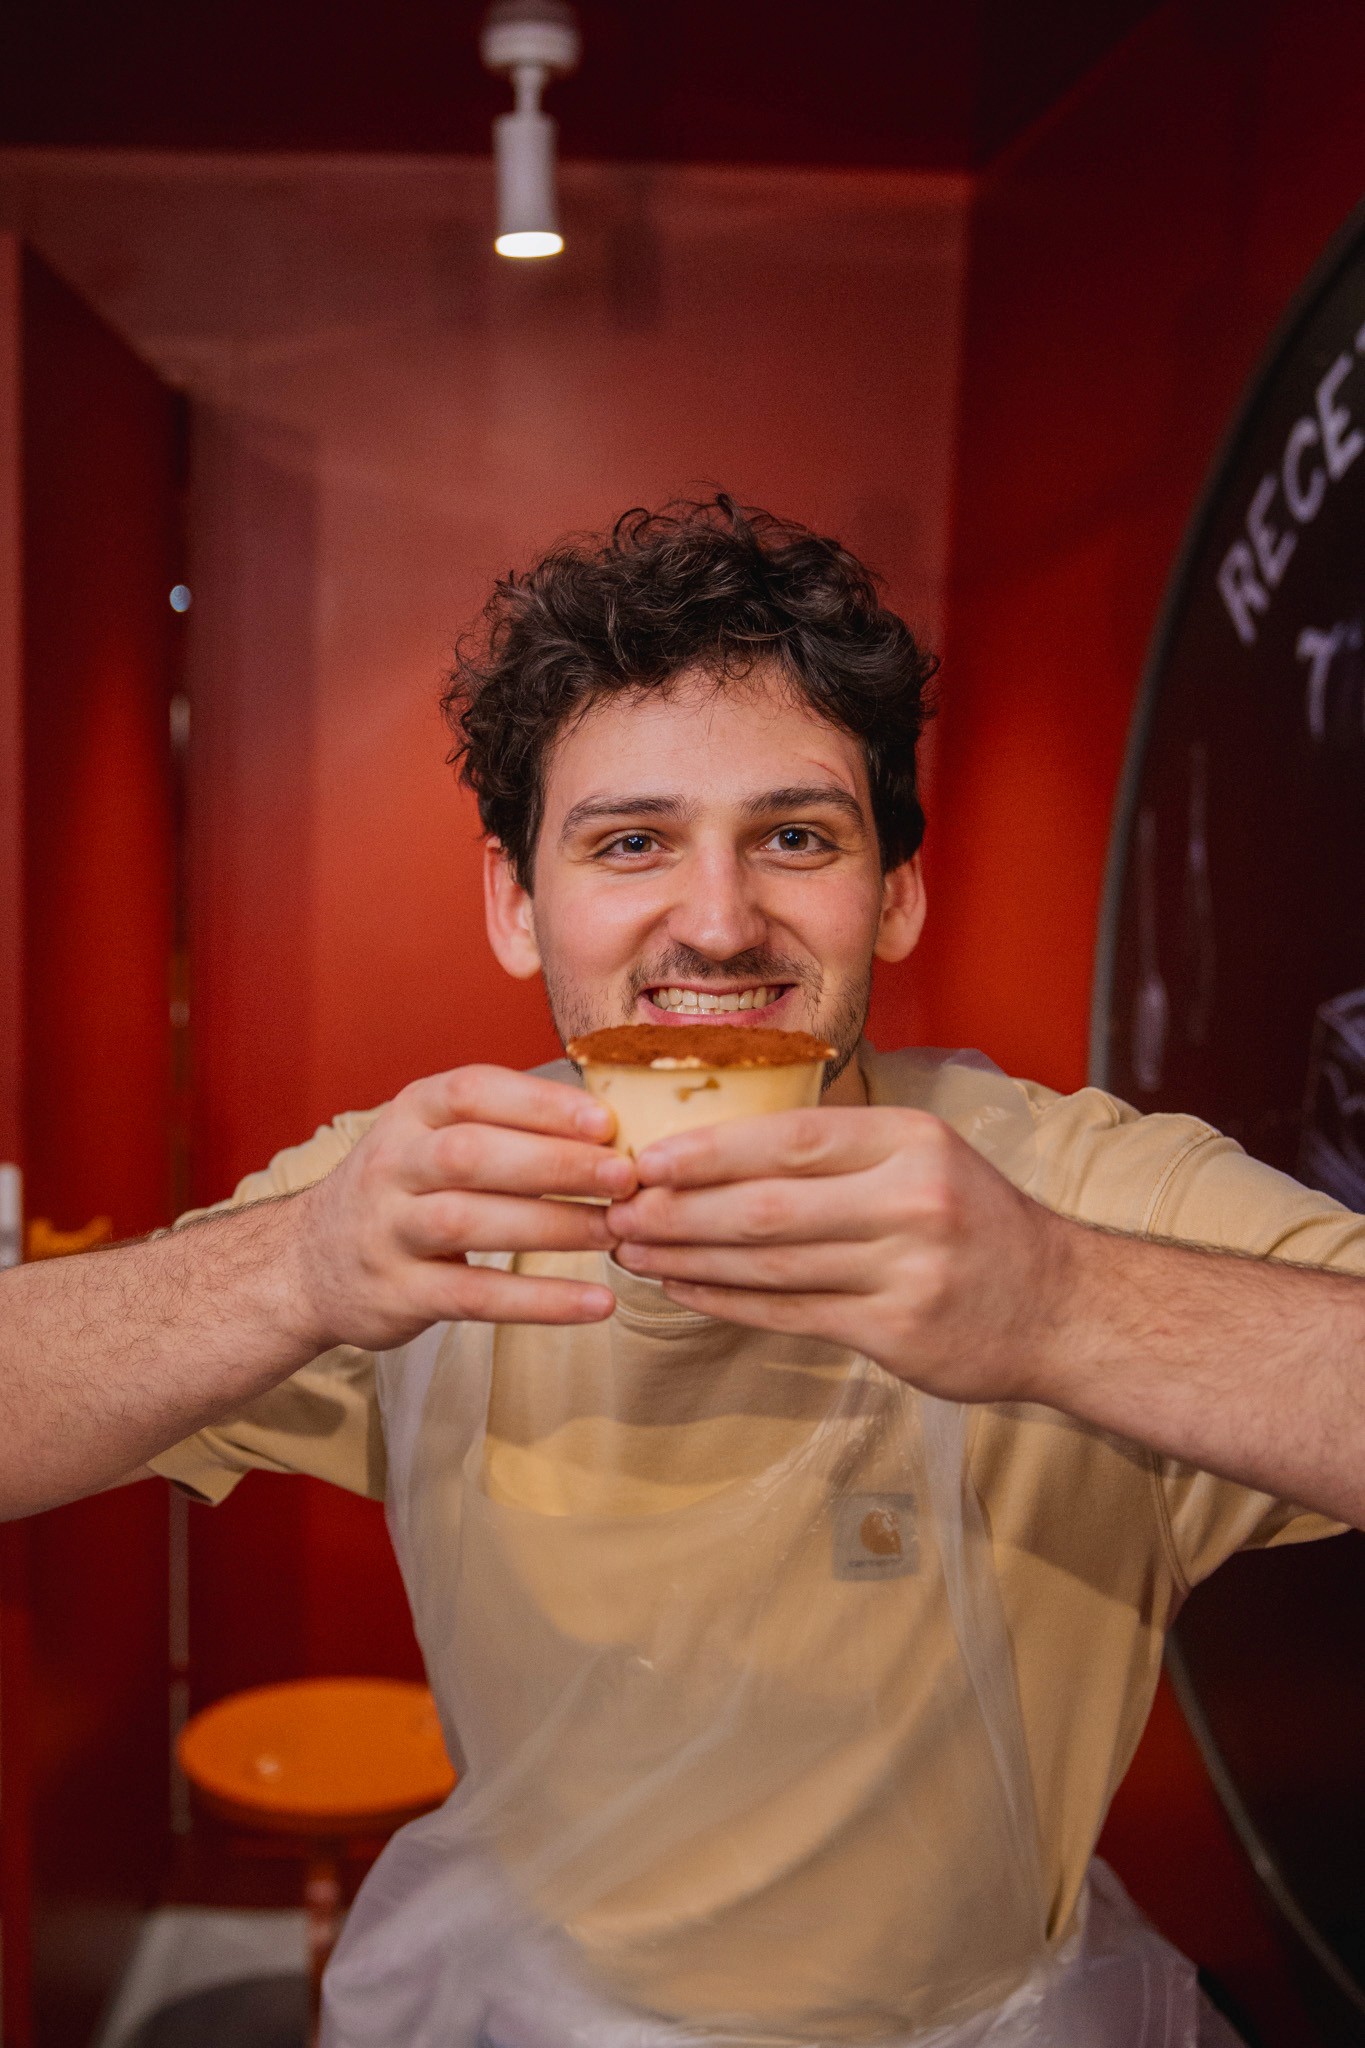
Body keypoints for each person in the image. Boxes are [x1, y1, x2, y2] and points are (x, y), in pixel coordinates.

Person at [3, 497, 1363, 2047]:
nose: (717, 926)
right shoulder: (416, 1195)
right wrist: (289, 1270)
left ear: (894, 892)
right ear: (517, 905)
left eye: (794, 836)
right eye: (630, 842)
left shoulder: (1076, 1189)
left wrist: (1060, 1304)